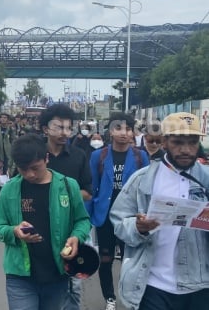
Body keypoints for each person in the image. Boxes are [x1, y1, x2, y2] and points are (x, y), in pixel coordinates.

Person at [110, 112, 209, 309]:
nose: (186, 150)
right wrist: (139, 227)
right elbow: (119, 221)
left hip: (200, 285)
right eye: (178, 142)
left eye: (192, 142)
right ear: (164, 142)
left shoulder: (206, 179)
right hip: (152, 285)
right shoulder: (143, 180)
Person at [0, 133, 91, 310]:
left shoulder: (68, 186)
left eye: (35, 168)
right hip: (20, 277)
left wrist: (76, 237)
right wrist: (14, 231)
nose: (30, 174)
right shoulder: (9, 190)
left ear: (46, 158)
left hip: (57, 274)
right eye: (23, 169)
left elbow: (82, 221)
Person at [87, 112, 150, 310]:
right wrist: (88, 218)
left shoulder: (141, 156)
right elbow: (91, 189)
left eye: (128, 129)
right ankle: (110, 298)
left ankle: (131, 298)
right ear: (110, 132)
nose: (124, 133)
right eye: (118, 128)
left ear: (133, 132)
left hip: (130, 218)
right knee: (105, 259)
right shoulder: (99, 156)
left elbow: (147, 189)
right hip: (104, 216)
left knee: (130, 260)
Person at [39, 104, 92, 310]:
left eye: (68, 128)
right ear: (45, 129)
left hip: (71, 231)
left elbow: (88, 192)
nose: (65, 132)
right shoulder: (36, 155)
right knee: (45, 283)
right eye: (59, 127)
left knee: (73, 286)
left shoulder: (78, 156)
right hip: (40, 229)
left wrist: (60, 197)